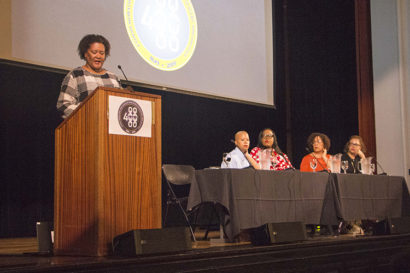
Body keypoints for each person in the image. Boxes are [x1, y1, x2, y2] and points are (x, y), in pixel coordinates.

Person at [56, 34, 121, 119]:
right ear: (86, 54)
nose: (98, 56)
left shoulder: (113, 77)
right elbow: (63, 105)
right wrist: (87, 113)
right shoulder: (76, 75)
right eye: (94, 52)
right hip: (85, 126)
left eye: (102, 53)